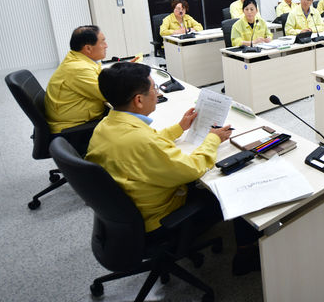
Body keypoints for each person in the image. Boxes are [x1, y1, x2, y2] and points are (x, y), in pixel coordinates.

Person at [85, 63, 260, 275]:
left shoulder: (106, 125)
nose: (157, 93)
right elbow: (192, 168)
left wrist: (179, 128)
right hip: (159, 223)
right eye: (153, 89)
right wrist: (213, 139)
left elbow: (145, 142)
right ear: (138, 100)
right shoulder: (142, 142)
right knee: (233, 179)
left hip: (127, 213)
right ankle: (246, 254)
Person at [45, 25, 109, 152]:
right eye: (102, 41)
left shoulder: (78, 59)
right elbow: (110, 94)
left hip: (73, 119)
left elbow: (99, 77)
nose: (106, 45)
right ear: (88, 48)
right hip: (73, 129)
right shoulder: (78, 69)